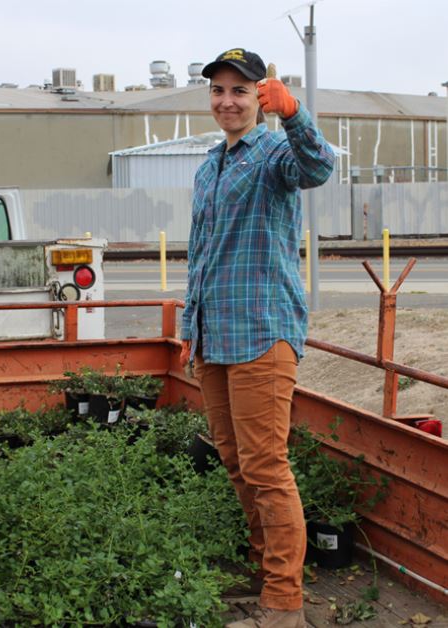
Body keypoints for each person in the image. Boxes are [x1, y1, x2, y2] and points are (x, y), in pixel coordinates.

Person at [179, 48, 335, 628]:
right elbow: (202, 257)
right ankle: (264, 567)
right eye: (218, 91)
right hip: (214, 335)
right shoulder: (209, 166)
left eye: (240, 91)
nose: (227, 101)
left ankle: (284, 604)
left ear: (260, 98)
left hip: (262, 333)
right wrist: (188, 328)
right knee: (237, 462)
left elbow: (317, 168)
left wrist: (296, 115)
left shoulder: (274, 153)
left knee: (267, 467)